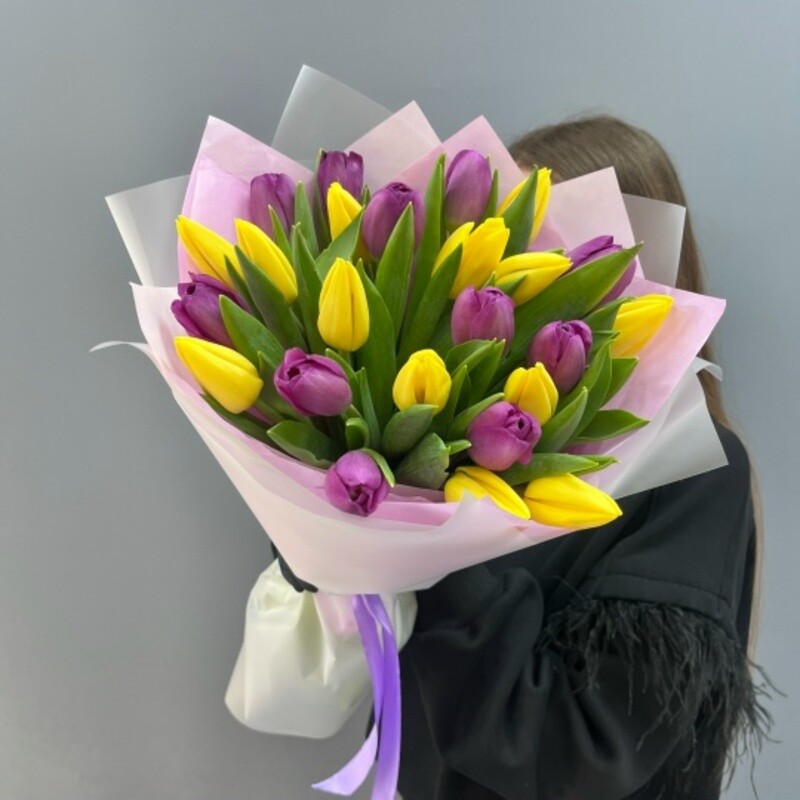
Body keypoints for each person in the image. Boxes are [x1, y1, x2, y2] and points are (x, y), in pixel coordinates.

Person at [276, 116, 773, 800]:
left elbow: (586, 752)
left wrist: (434, 553)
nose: (516, 281)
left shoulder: (694, 472)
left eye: (553, 252)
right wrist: (336, 503)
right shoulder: (462, 431)